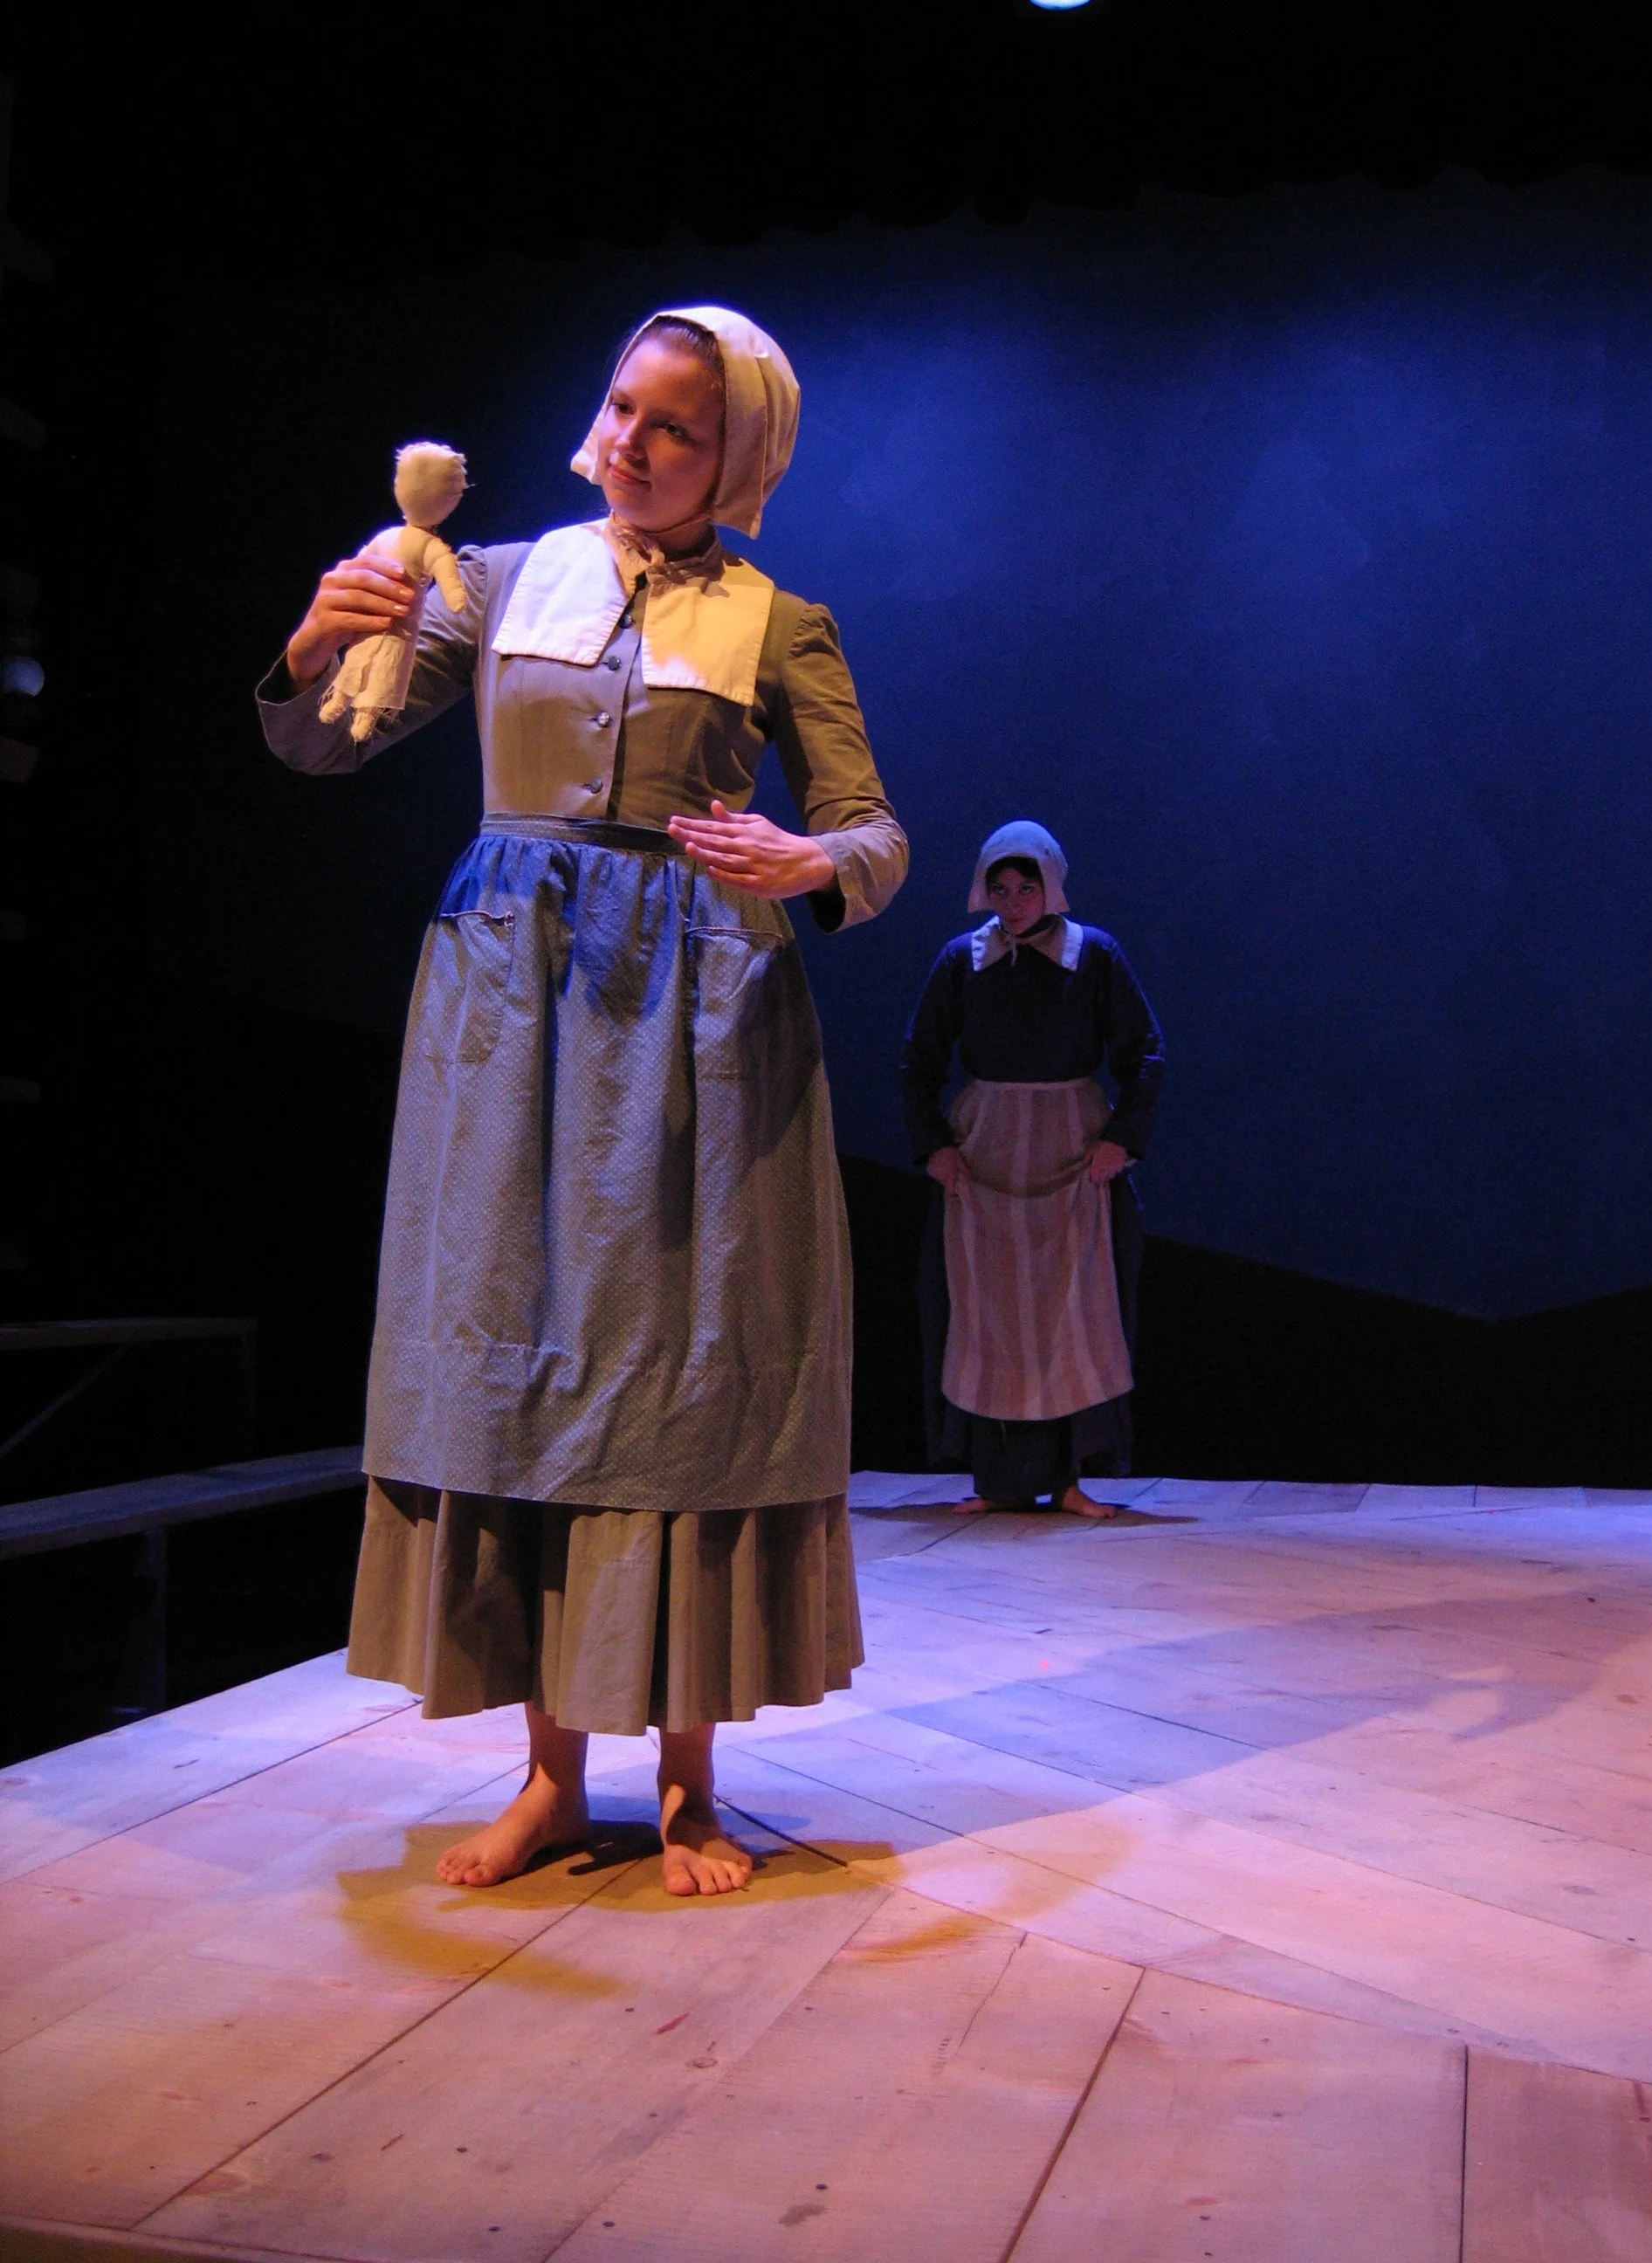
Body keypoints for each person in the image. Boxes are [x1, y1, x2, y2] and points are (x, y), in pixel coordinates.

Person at [258, 306, 906, 1894]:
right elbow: (328, 743)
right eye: (622, 407)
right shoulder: (497, 580)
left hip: (702, 1023)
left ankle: (687, 1786)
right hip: (509, 1010)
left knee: (681, 1359)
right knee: (524, 1351)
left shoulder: (779, 622)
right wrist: (313, 644)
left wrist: (810, 860)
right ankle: (549, 1777)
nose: (630, 442)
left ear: (736, 454)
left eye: (674, 425)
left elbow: (873, 830)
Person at [902, 822, 1162, 1517]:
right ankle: (999, 1480)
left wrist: (1120, 1140)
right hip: (986, 1158)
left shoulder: (1094, 955)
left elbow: (1146, 1055)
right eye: (1001, 889)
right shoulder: (963, 960)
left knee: (1074, 1315)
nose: (1013, 902)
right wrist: (936, 1146)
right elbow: (918, 1059)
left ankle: (1070, 1479)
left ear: (1051, 886)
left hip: (1071, 1156)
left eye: (1026, 888)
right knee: (990, 1318)